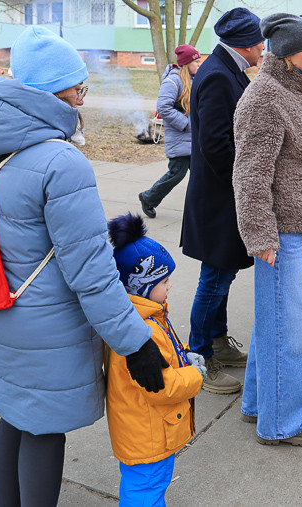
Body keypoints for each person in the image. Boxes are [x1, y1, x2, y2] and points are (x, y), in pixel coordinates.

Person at [0, 26, 168, 506]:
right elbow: (90, 271)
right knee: (45, 428)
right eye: (77, 88)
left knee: (16, 413)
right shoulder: (60, 161)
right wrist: (134, 342)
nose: (81, 98)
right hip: (43, 321)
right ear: (53, 91)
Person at [232, 13, 302, 445]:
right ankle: (283, 423)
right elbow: (250, 175)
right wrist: (261, 237)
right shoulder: (265, 97)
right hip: (278, 234)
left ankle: (258, 406)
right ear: (287, 54)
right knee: (289, 332)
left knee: (273, 323)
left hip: (293, 227)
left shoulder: (295, 91)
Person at [180, 7, 263, 394]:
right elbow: (215, 145)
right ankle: (198, 356)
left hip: (221, 194)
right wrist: (246, 180)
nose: (263, 48)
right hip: (219, 197)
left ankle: (217, 340)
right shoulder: (217, 75)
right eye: (260, 41)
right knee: (215, 276)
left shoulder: (223, 69)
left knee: (222, 272)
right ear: (245, 44)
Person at [104, 213, 205, 504]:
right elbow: (163, 386)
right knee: (146, 489)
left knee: (144, 486)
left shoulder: (141, 316)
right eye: (164, 280)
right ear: (141, 285)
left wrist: (183, 353)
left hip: (141, 429)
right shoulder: (142, 328)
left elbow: (166, 352)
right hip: (148, 432)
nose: (170, 285)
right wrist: (196, 374)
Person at [138, 44, 202, 218]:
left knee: (200, 175)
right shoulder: (173, 81)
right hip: (181, 136)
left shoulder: (193, 79)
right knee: (176, 173)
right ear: (186, 63)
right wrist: (186, 124)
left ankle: (200, 209)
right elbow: (163, 107)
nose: (199, 64)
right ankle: (148, 197)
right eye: (196, 61)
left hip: (193, 138)